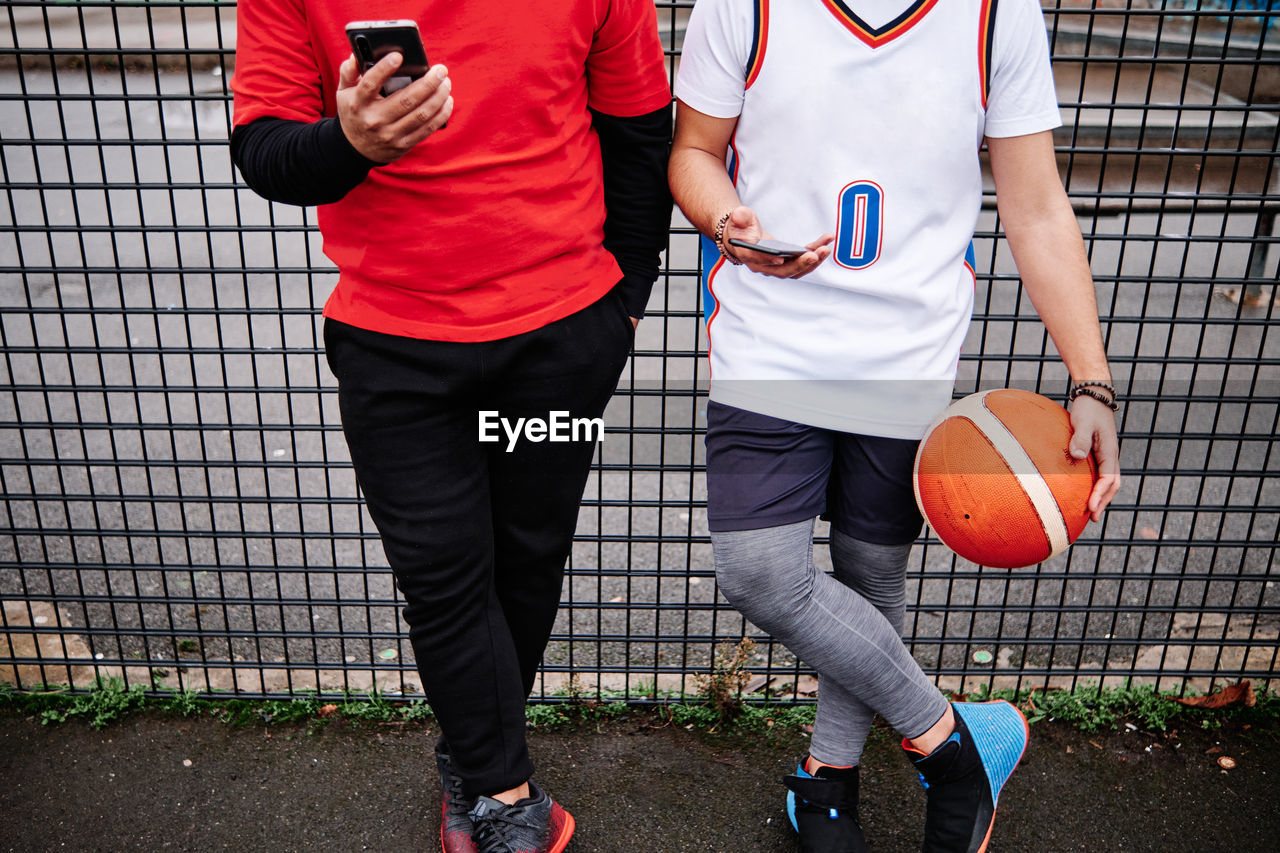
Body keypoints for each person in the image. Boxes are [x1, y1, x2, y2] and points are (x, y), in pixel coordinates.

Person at [669, 0, 1122, 851]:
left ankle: (828, 780)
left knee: (869, 574)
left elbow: (1036, 207)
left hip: (910, 351)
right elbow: (693, 151)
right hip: (771, 338)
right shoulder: (745, 6)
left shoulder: (995, 14)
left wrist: (1091, 381)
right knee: (761, 574)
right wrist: (727, 219)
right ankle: (956, 744)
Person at [229, 2, 671, 851]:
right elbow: (267, 152)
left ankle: (472, 759)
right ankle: (509, 799)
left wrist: (622, 307)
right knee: (441, 575)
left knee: (526, 557)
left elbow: (639, 130)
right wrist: (349, 142)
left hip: (561, 330)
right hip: (393, 344)